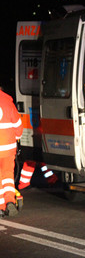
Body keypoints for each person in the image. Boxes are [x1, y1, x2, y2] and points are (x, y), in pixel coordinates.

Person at [0, 89, 23, 217]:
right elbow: (18, 126)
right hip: (8, 148)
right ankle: (10, 200)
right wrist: (17, 137)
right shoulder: (8, 102)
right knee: (8, 175)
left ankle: (1, 207)